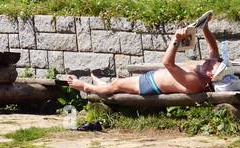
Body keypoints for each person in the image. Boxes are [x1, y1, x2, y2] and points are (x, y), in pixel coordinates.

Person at [66, 23, 222, 98]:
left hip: (151, 86)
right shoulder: (206, 71)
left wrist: (176, 39)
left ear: (211, 76)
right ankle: (101, 85)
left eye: (211, 64)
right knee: (118, 82)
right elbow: (213, 49)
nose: (209, 61)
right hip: (152, 78)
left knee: (115, 86)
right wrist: (205, 27)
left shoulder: (195, 81)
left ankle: (86, 87)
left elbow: (168, 64)